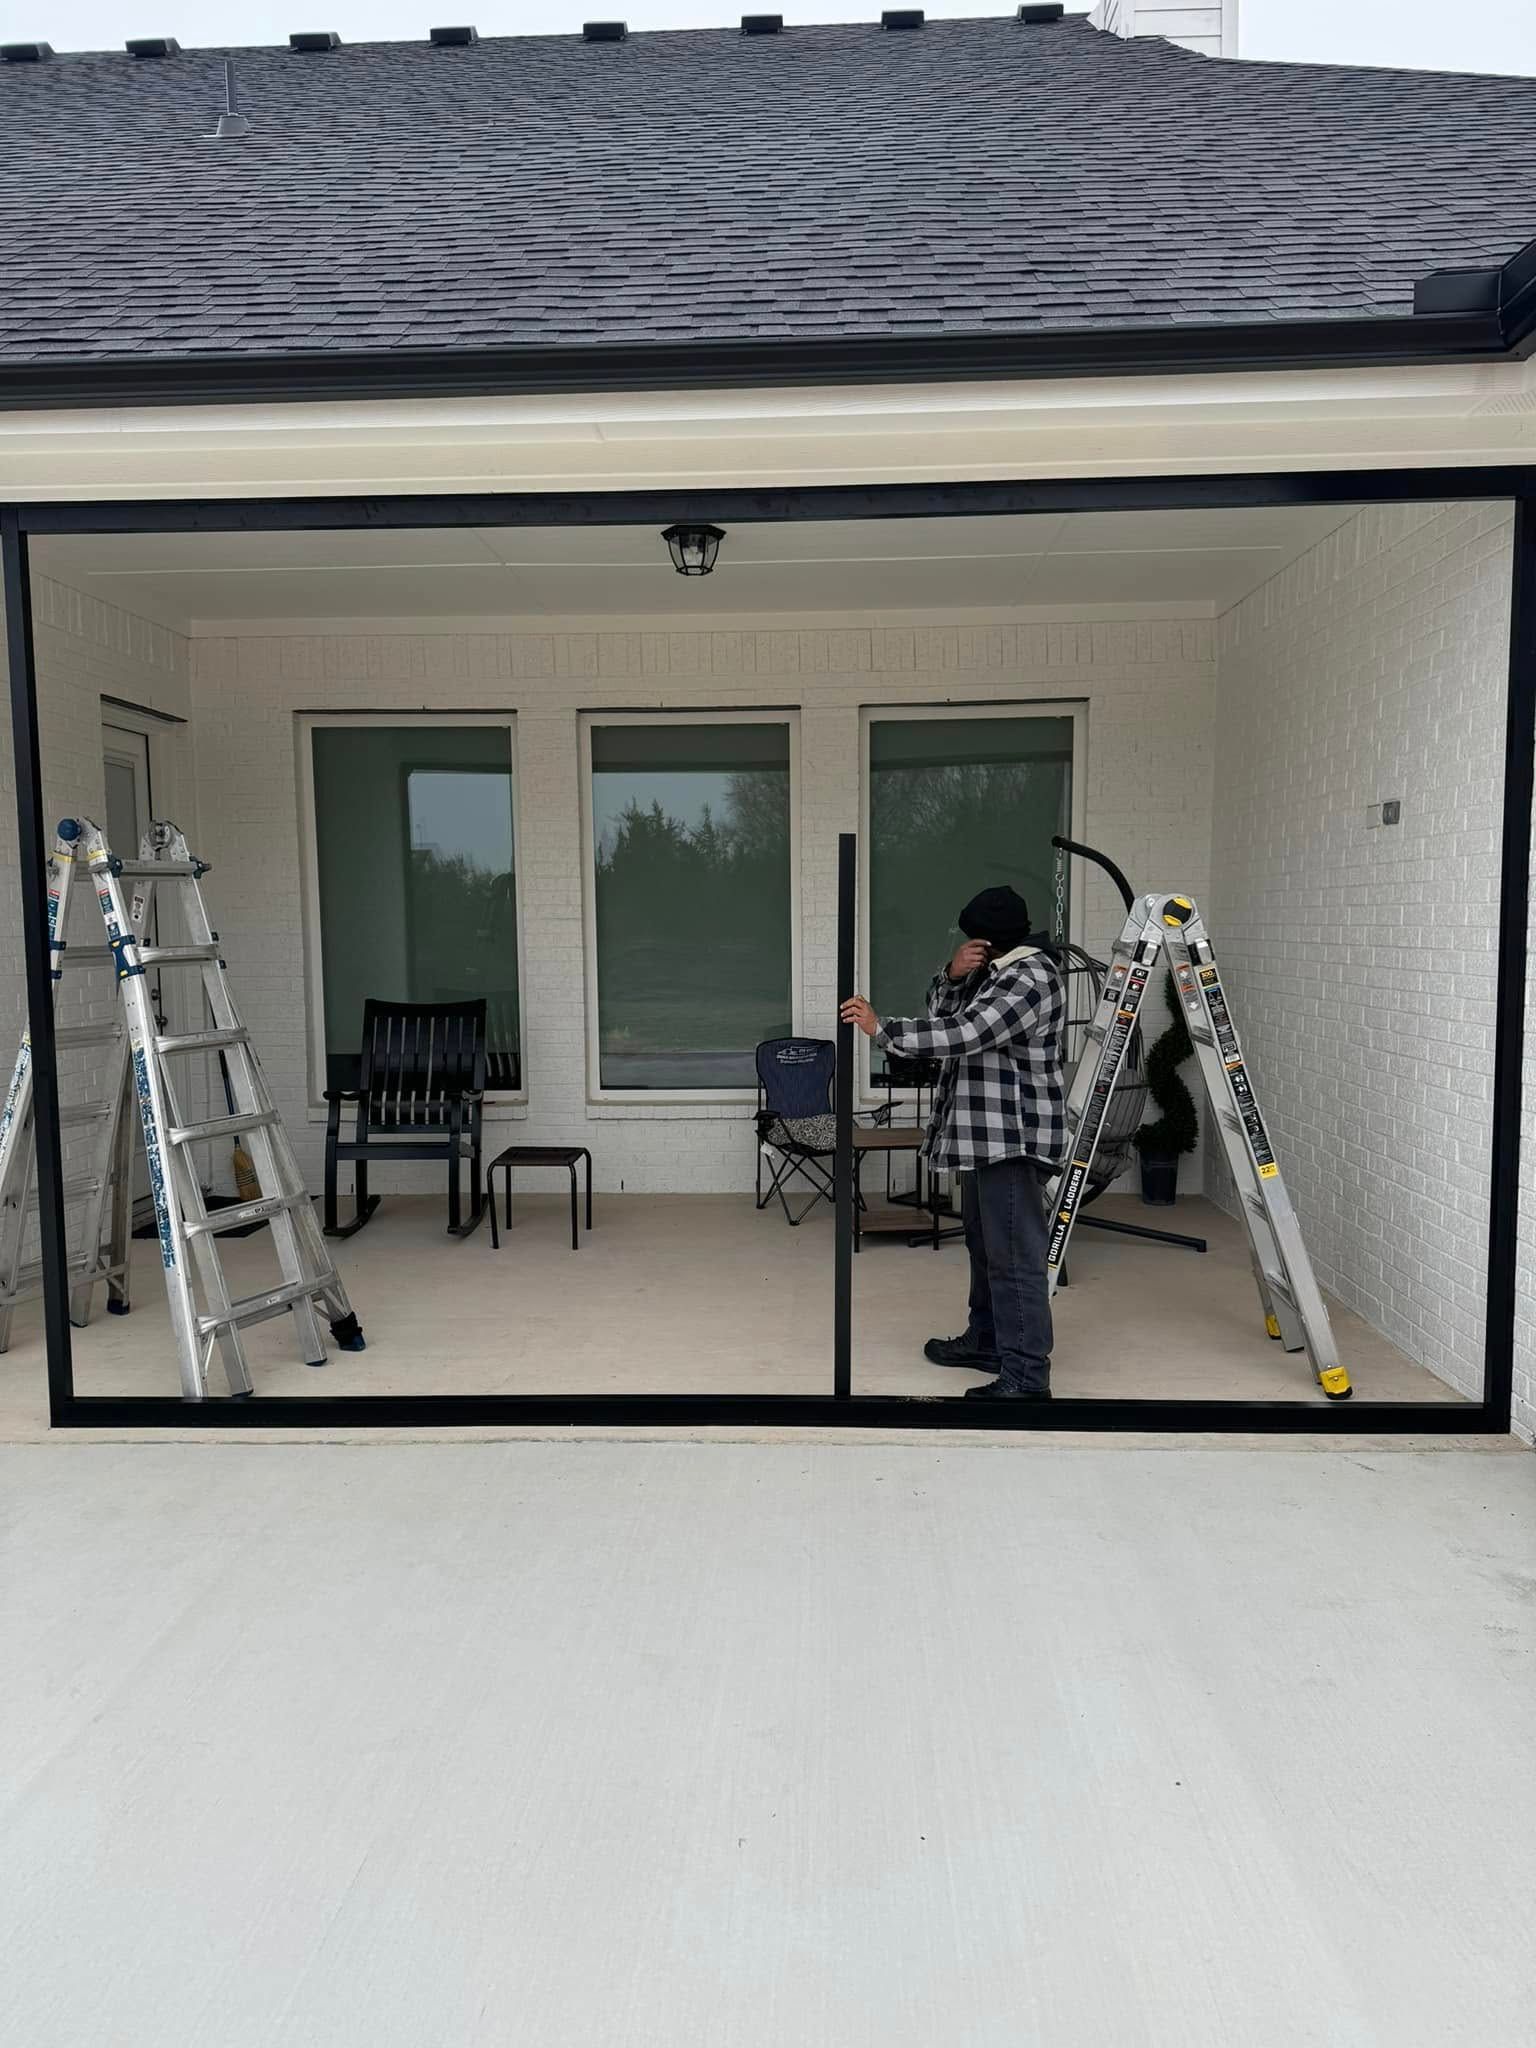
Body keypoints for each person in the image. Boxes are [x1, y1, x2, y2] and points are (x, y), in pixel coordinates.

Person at [840, 884, 1066, 1401]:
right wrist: (954, 974)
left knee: (1014, 1259)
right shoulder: (998, 971)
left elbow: (966, 1033)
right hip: (983, 1139)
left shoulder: (1031, 976)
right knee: (985, 1249)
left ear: (989, 938)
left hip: (1014, 1139)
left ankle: (1026, 1378)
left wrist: (881, 1029)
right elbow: (945, 1011)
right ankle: (987, 1342)